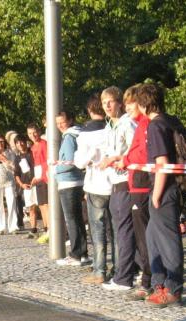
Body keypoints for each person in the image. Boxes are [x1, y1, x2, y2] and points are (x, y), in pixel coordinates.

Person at [135, 83, 185, 307]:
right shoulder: (171, 120)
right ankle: (160, 284)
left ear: (143, 104)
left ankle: (173, 288)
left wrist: (156, 195)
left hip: (163, 189)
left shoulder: (156, 125)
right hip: (171, 188)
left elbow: (162, 163)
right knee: (153, 238)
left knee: (167, 241)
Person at [112, 83, 153, 300]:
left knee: (144, 238)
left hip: (142, 185)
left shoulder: (143, 125)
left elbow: (143, 154)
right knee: (142, 237)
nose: (127, 108)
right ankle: (150, 278)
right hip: (136, 183)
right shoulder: (140, 124)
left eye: (131, 104)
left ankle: (149, 281)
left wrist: (125, 159)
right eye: (126, 104)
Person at [97, 86, 137, 290]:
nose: (107, 106)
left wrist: (114, 158)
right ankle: (133, 271)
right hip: (113, 182)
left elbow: (135, 152)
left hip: (126, 181)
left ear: (119, 103)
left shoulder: (127, 124)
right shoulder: (109, 127)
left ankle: (125, 277)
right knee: (121, 230)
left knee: (124, 232)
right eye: (104, 103)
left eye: (110, 102)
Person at [74, 93, 114, 284]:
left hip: (95, 184)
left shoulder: (85, 134)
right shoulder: (111, 128)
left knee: (98, 230)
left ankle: (99, 271)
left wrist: (90, 155)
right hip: (114, 183)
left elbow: (80, 162)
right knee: (115, 230)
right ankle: (119, 268)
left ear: (89, 110)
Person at [53, 110, 90, 265]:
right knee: (78, 219)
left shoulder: (69, 137)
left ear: (70, 120)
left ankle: (76, 254)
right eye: (58, 123)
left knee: (72, 220)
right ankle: (83, 253)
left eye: (62, 122)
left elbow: (69, 161)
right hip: (78, 181)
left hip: (68, 182)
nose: (60, 125)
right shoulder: (78, 134)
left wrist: (55, 169)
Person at [26, 123, 50, 243]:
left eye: (34, 132)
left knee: (46, 205)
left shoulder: (44, 144)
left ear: (39, 132)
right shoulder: (32, 147)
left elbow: (47, 161)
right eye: (30, 133)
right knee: (41, 205)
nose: (33, 135)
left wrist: (40, 176)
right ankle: (46, 229)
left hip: (44, 178)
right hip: (37, 177)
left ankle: (51, 231)